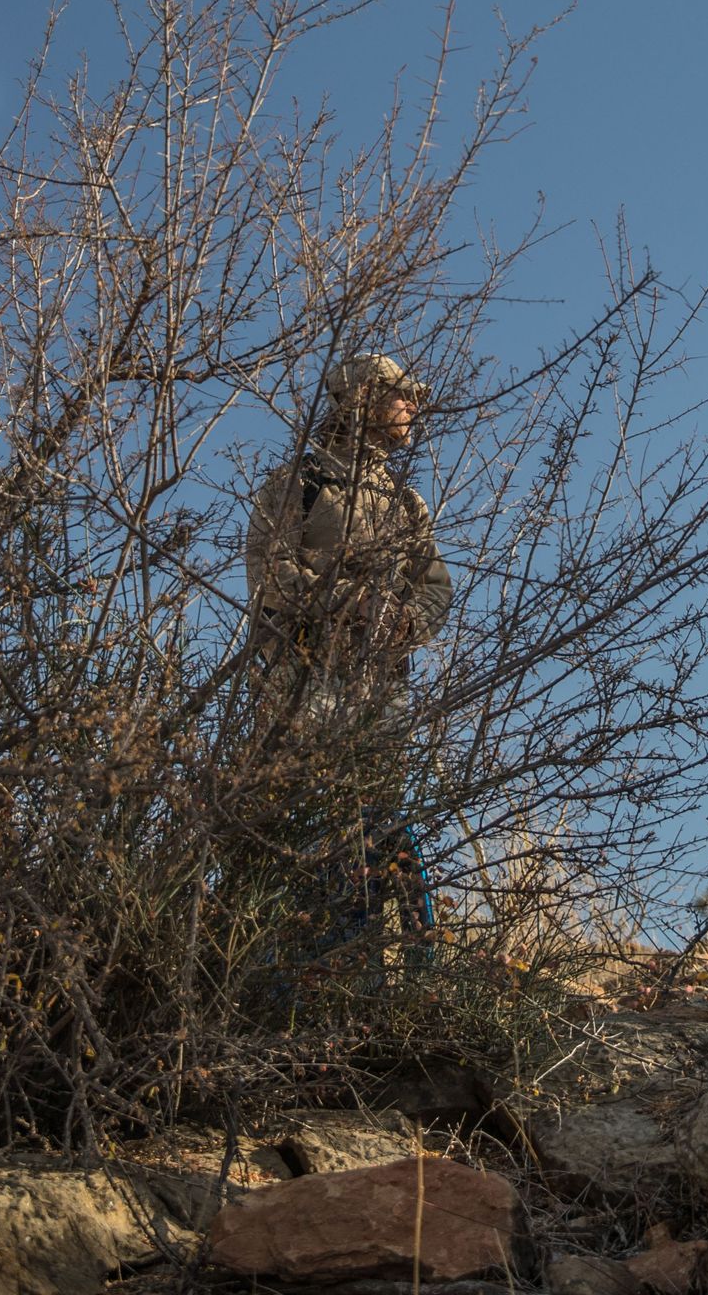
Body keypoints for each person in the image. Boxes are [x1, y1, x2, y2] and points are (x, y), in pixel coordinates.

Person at [234, 352, 452, 962]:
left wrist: (405, 619)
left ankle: (395, 966)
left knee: (379, 815)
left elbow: (437, 588)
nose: (413, 408)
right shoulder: (296, 485)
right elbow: (268, 572)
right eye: (400, 396)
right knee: (309, 813)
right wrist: (349, 598)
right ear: (360, 402)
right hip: (302, 675)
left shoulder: (408, 503)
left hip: (381, 680)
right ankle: (300, 968)